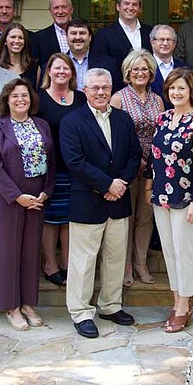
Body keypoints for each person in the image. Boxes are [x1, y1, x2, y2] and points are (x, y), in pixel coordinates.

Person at [60, 68, 142, 339]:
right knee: (83, 261)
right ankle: (81, 312)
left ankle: (110, 305)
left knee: (116, 258)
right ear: (85, 90)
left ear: (111, 89)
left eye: (105, 87)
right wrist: (108, 184)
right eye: (95, 87)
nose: (100, 92)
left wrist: (121, 183)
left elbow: (134, 154)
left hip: (118, 200)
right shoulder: (72, 121)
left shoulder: (123, 119)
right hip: (88, 201)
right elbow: (74, 161)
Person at [145, 67, 193, 333]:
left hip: (187, 198)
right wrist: (149, 189)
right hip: (161, 196)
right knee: (170, 252)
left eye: (181, 88)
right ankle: (176, 301)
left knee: (184, 252)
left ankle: (184, 306)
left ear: (191, 92)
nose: (176, 92)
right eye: (172, 87)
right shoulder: (162, 119)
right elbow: (155, 157)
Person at [0, 79, 55, 331]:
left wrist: (46, 191)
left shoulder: (42, 125)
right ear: (7, 100)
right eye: (14, 96)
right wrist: (16, 196)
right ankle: (11, 306)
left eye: (24, 95)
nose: (20, 100)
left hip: (37, 198)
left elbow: (51, 161)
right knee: (10, 251)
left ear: (31, 99)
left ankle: (28, 303)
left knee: (30, 251)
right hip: (9, 199)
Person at [111, 50, 163, 287]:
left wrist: (151, 161)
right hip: (127, 166)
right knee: (127, 217)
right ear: (128, 73)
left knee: (146, 216)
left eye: (144, 69)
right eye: (135, 69)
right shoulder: (118, 98)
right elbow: (115, 136)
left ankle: (141, 262)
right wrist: (137, 161)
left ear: (151, 73)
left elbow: (161, 134)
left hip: (153, 167)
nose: (140, 73)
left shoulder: (158, 100)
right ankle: (125, 266)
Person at [36, 53, 86, 287]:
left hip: (76, 167)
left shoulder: (81, 98)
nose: (61, 72)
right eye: (57, 68)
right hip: (49, 168)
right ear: (48, 71)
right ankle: (50, 264)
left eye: (66, 69)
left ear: (72, 73)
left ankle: (67, 262)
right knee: (51, 219)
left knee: (69, 218)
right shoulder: (40, 99)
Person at [90, 0, 152, 71]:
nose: (130, 7)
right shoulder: (104, 34)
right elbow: (99, 65)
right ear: (118, 7)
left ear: (140, 9)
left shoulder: (149, 32)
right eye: (126, 4)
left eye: (135, 4)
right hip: (117, 83)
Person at [65, 17, 122, 92]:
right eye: (73, 33)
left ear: (90, 37)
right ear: (66, 37)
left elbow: (116, 92)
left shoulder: (109, 64)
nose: (78, 37)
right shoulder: (57, 65)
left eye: (82, 33)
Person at [31, 0, 74, 69]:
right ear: (50, 11)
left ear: (71, 10)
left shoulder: (82, 36)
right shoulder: (38, 38)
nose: (60, 12)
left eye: (64, 7)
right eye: (56, 8)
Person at [149, 25, 188, 104]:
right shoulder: (145, 67)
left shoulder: (185, 68)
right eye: (162, 39)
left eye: (169, 40)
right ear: (152, 42)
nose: (165, 43)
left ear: (174, 44)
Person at [0, 22, 38, 87]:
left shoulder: (34, 66)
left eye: (20, 38)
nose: (17, 41)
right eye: (13, 37)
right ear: (5, 41)